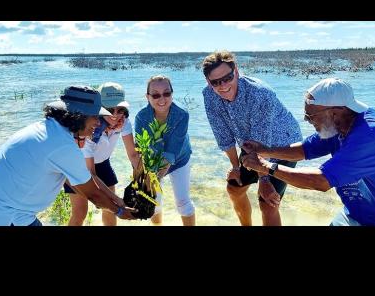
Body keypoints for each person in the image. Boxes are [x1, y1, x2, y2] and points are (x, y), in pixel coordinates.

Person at [0, 85, 137, 226]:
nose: (98, 122)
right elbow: (94, 196)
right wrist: (121, 212)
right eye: (95, 116)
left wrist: (116, 200)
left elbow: (81, 183)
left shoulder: (50, 128)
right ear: (79, 116)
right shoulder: (63, 145)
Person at [241, 78, 375, 226]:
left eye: (310, 116)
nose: (305, 119)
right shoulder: (339, 125)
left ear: (335, 113)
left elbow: (320, 181)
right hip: (355, 214)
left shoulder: (371, 135)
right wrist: (265, 150)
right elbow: (304, 149)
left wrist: (265, 167)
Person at [202, 50, 302, 226]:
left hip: (284, 144)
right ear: (208, 82)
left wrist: (264, 180)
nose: (223, 85)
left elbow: (262, 144)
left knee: (268, 202)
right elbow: (223, 136)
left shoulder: (260, 94)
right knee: (234, 188)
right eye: (216, 82)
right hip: (250, 144)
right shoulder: (209, 95)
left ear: (237, 72)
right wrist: (235, 167)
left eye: (227, 78)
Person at [63, 82, 140, 226]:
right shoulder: (89, 129)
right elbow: (90, 173)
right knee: (80, 213)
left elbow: (134, 156)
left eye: (120, 109)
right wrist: (117, 200)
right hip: (79, 166)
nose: (115, 115)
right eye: (110, 109)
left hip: (103, 164)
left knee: (110, 211)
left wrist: (144, 181)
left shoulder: (125, 123)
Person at [134, 75, 195, 226]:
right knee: (153, 202)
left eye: (166, 93)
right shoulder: (141, 117)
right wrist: (145, 179)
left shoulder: (182, 114)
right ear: (147, 97)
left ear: (172, 94)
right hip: (153, 161)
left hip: (180, 159)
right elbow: (141, 149)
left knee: (183, 202)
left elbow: (173, 150)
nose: (162, 99)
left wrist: (158, 177)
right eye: (155, 94)